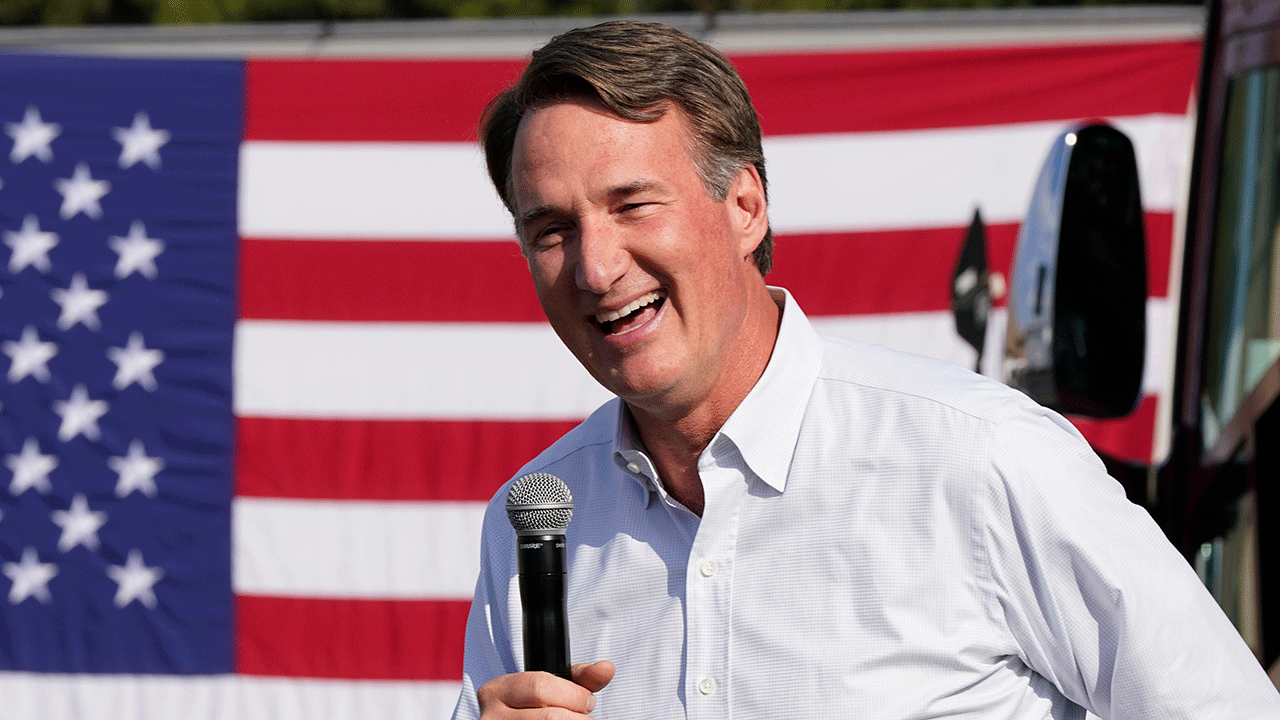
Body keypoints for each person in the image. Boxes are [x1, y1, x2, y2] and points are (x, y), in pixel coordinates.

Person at [452, 20, 1280, 720]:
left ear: (745, 207)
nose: (595, 268)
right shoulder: (531, 527)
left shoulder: (983, 459)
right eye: (551, 230)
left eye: (633, 204)